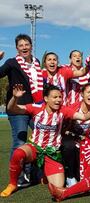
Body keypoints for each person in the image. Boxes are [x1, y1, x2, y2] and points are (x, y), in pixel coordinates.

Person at [0, 85, 90, 197]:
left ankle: (43, 171)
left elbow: (84, 117)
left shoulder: (64, 110)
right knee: (18, 153)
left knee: (58, 188)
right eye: (54, 97)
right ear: (46, 98)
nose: (58, 100)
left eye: (60, 97)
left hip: (52, 152)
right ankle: (13, 184)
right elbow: (11, 109)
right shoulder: (36, 107)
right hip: (35, 147)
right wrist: (15, 98)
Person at [0, 34, 42, 187]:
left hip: (34, 108)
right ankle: (17, 177)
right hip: (17, 109)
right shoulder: (12, 62)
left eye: (26, 44)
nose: (24, 47)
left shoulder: (36, 63)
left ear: (31, 46)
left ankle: (33, 172)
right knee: (19, 141)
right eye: (21, 45)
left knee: (41, 139)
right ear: (17, 48)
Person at [61, 83, 90, 187]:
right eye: (88, 92)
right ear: (82, 94)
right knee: (69, 146)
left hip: (86, 142)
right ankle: (70, 176)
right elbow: (63, 128)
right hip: (71, 140)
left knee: (85, 177)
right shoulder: (73, 108)